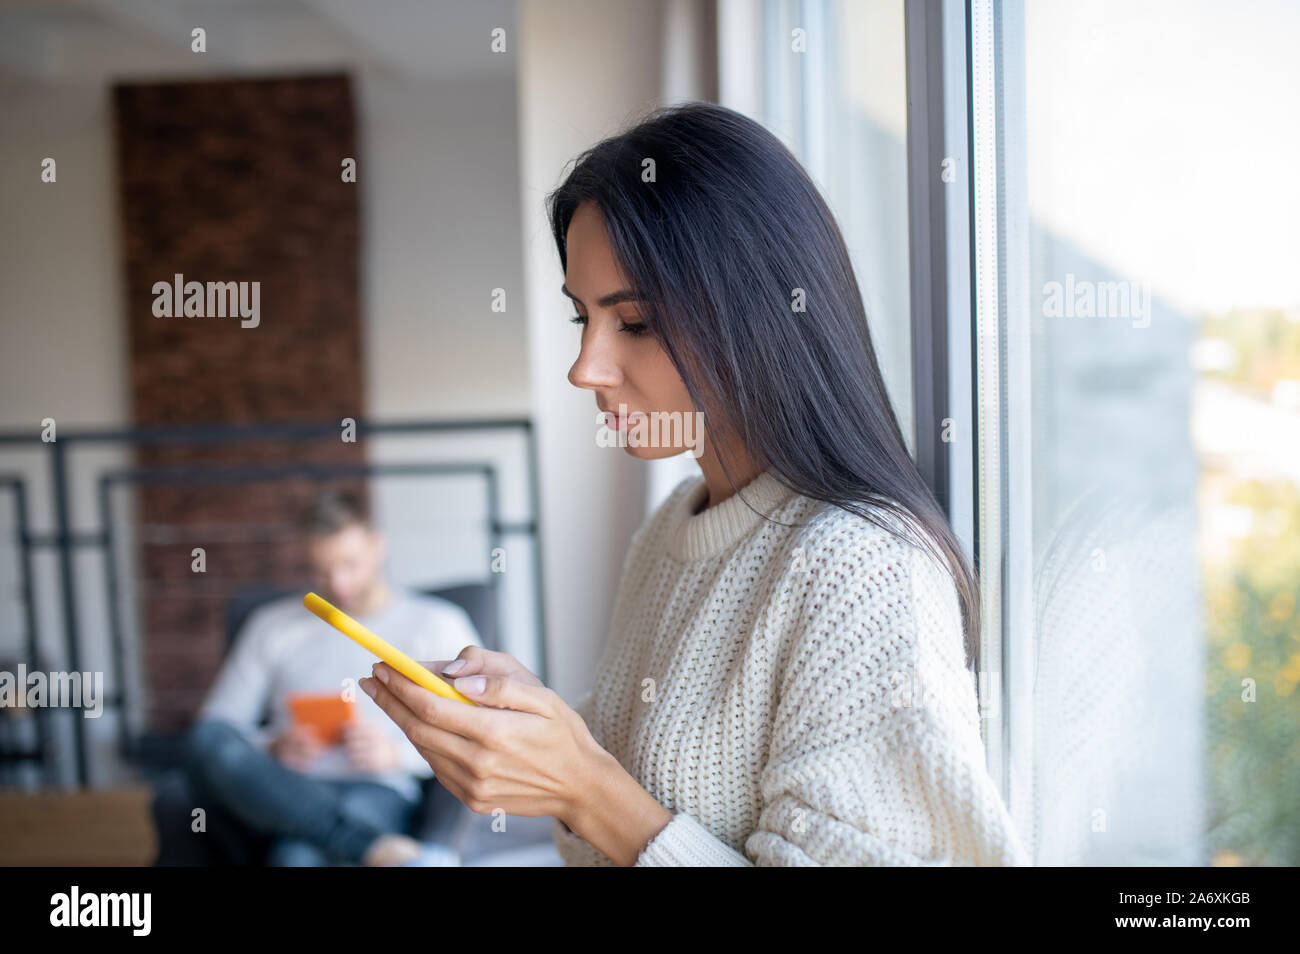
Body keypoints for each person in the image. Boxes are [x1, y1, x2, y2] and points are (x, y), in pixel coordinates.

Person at [359, 101, 1032, 866]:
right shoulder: (675, 528)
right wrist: (538, 726)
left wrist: (583, 787)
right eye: (583, 318)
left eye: (635, 322)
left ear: (761, 316)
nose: (585, 367)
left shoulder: (859, 566)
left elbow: (614, 802)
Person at [154, 488, 483, 866]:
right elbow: (219, 726)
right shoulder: (272, 626)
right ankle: (373, 848)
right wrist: (273, 747)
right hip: (280, 786)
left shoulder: (437, 623)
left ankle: (348, 838)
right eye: (321, 571)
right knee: (205, 739)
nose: (338, 585)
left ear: (377, 546)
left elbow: (476, 732)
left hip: (375, 787)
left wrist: (396, 754)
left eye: (349, 565)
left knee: (294, 857)